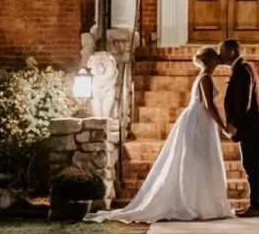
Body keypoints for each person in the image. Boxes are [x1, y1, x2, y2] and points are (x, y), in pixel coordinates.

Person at [86, 46, 233, 223]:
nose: (219, 60)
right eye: (216, 58)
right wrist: (223, 127)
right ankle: (195, 203)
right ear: (210, 61)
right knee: (197, 159)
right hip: (199, 121)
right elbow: (209, 106)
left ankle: (199, 202)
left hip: (197, 119)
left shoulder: (203, 77)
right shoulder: (206, 79)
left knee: (197, 160)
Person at [219, 38, 259, 217]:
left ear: (231, 51)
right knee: (254, 165)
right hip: (251, 126)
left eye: (222, 51)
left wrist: (234, 124)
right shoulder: (242, 68)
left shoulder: (242, 70)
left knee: (253, 166)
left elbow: (244, 100)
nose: (219, 54)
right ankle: (256, 204)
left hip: (250, 127)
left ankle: (256, 205)